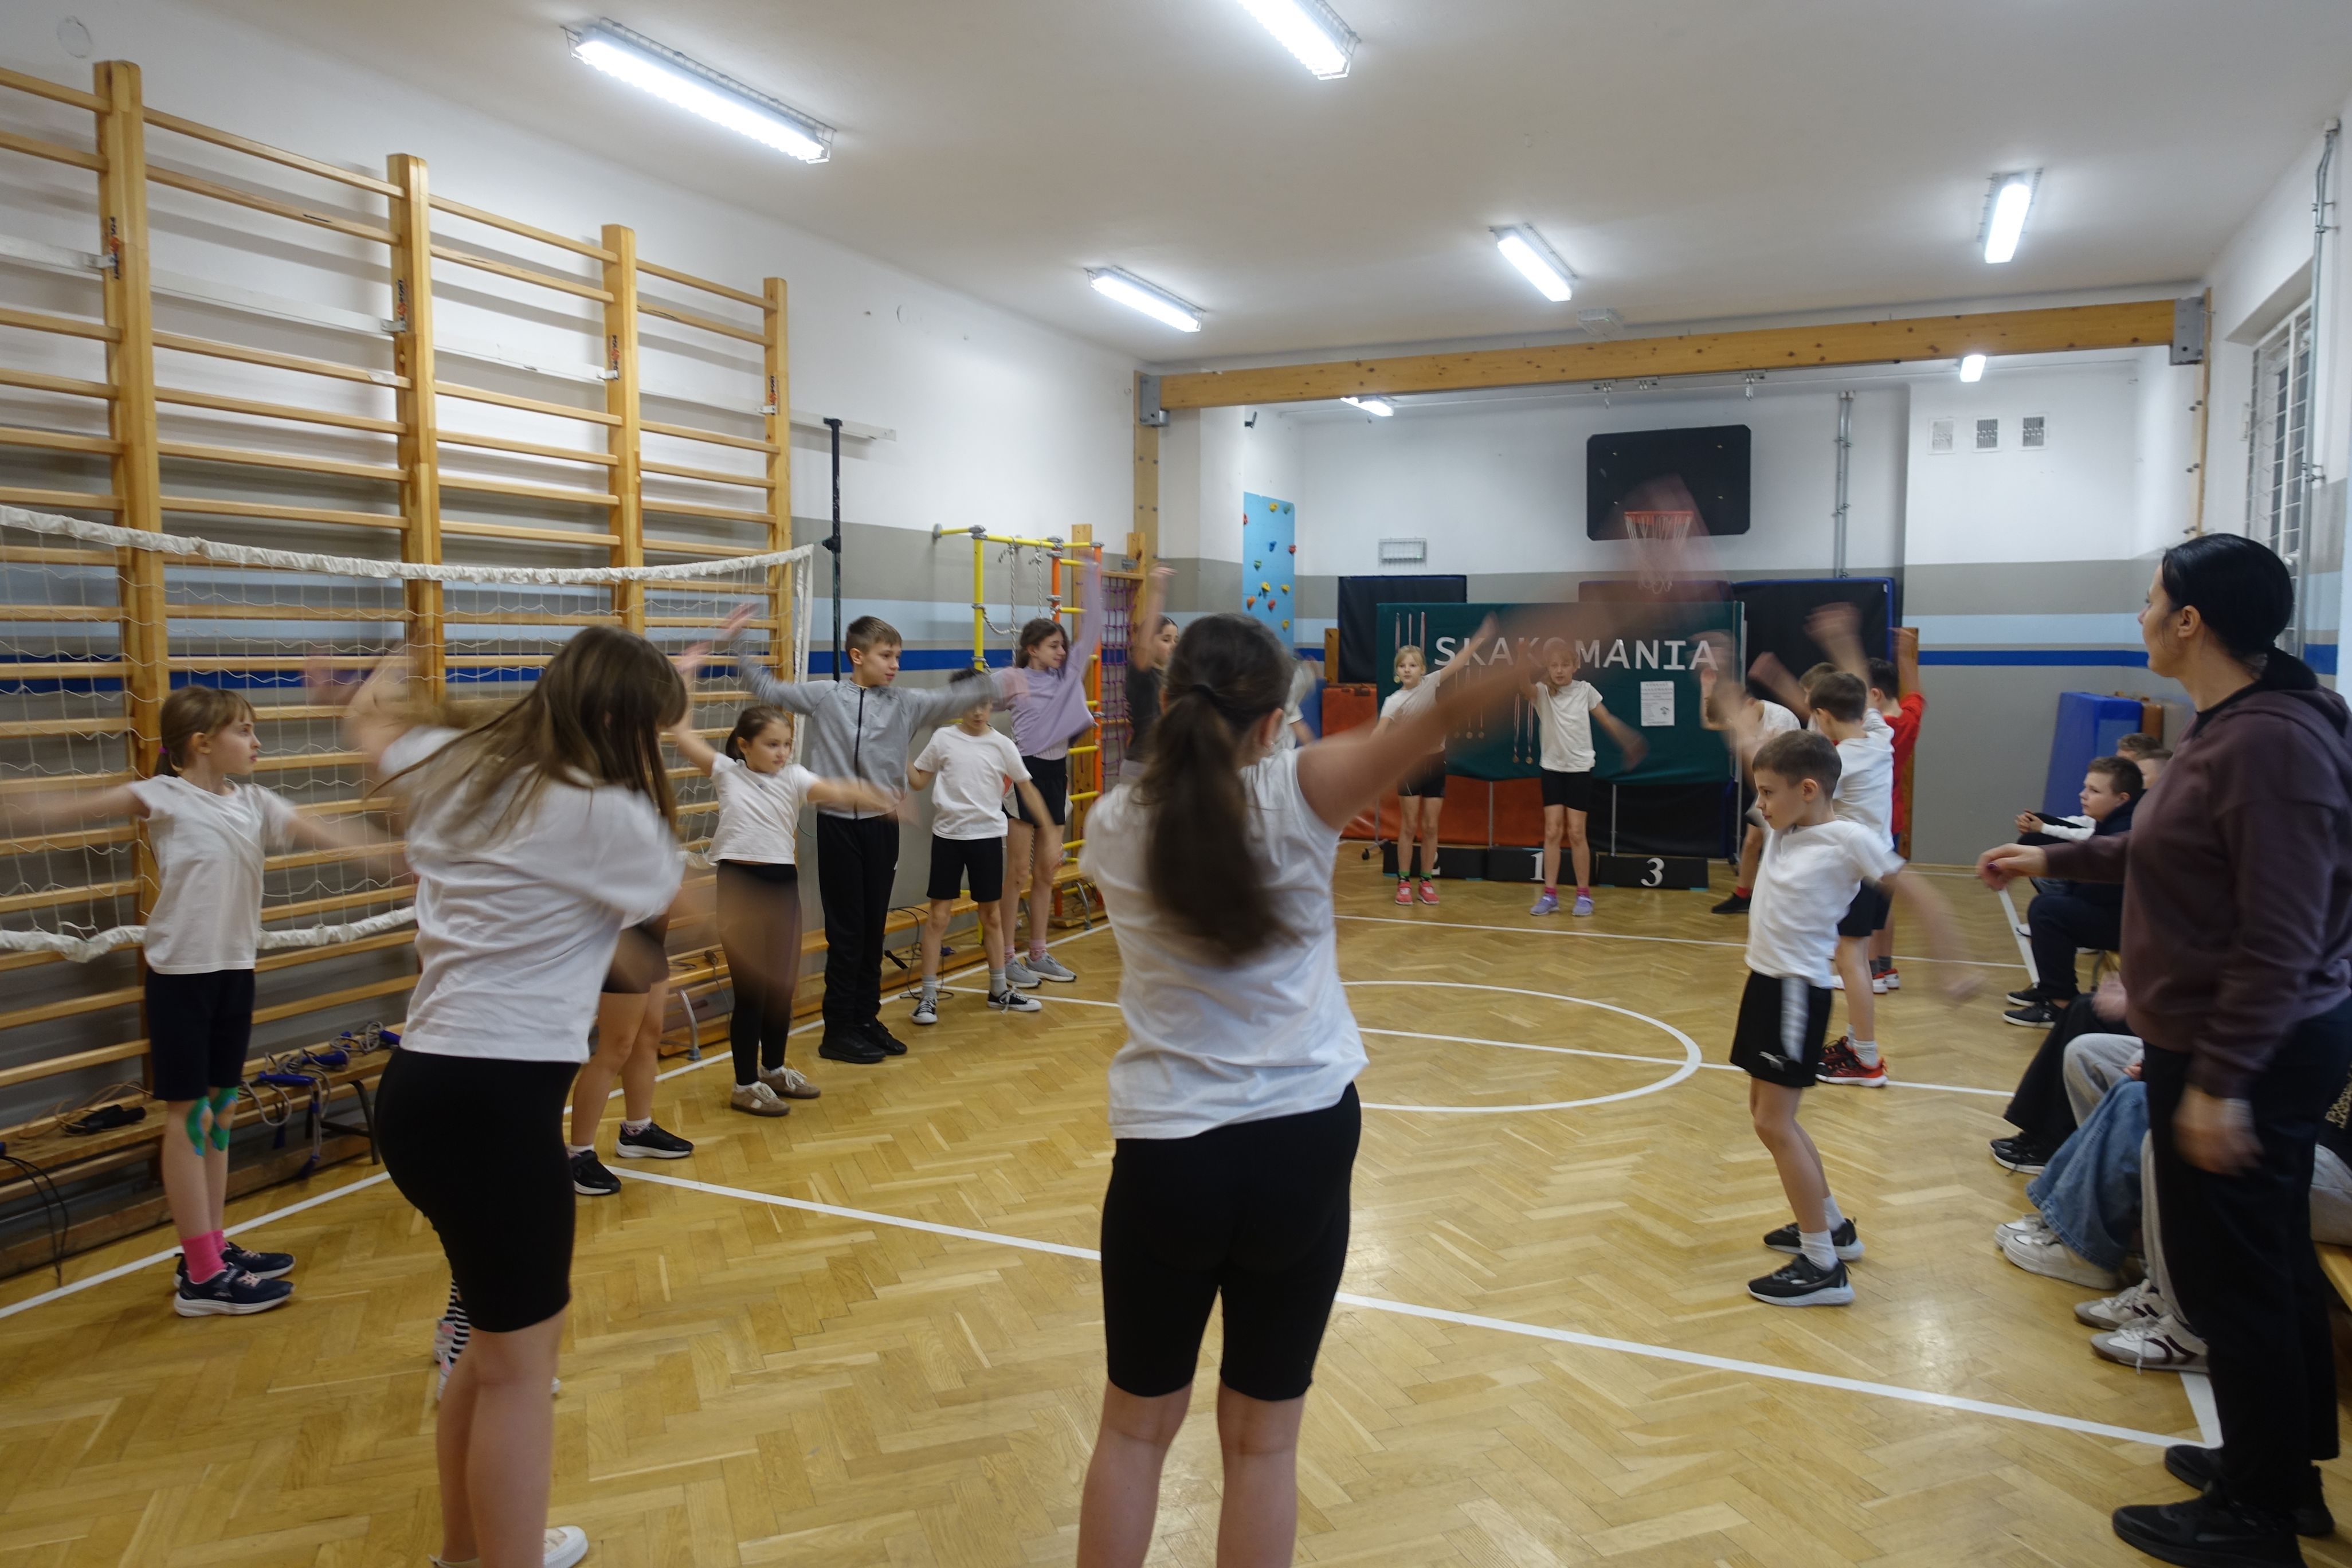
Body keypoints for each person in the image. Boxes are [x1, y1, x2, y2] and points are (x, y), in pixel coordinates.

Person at [1072, 610, 1520, 1568]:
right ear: (1274, 722)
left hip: (1169, 1151)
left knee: (1133, 1430)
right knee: (1264, 1443)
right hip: (1301, 1144)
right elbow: (1429, 725)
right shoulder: (1299, 789)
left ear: (1170, 701)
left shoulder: (1110, 822)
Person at [1979, 532, 2352, 1567]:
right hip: (2245, 1038)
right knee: (2262, 1265)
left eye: (2150, 600)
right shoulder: (2238, 725)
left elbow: (2281, 931)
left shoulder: (2269, 744)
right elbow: (2172, 846)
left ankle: (2255, 1517)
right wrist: (2052, 859)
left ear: (2189, 620)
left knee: (2233, 1275)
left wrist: (2222, 1081)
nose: (2140, 615)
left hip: (2253, 1046)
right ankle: (2275, 1473)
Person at [344, 629, 694, 1568]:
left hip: (419, 1097)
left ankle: (467, 1554)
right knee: (520, 1373)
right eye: (653, 730)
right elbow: (714, 915)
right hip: (494, 1115)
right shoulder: (608, 817)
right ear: (619, 721)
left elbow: (371, 724)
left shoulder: (457, 763)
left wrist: (386, 668)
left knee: (493, 1351)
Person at [3, 685, 390, 1316]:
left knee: (222, 1111)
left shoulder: (255, 803)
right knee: (190, 1120)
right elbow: (68, 809)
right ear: (202, 743)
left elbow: (326, 830)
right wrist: (19, 803)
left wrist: (393, 858)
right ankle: (202, 1279)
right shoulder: (164, 796)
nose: (257, 741)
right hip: (182, 979)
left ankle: (209, 1247)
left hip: (234, 971)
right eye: (244, 730)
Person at [1709, 722, 1969, 1307]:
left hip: (1796, 995)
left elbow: (1921, 895)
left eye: (1768, 793)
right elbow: (1757, 753)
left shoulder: (1849, 839)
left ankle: (1822, 1264)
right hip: (1764, 985)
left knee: (1775, 1124)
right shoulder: (1785, 825)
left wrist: (1951, 965)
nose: (1760, 804)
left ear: (1808, 789)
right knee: (1765, 1116)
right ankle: (1831, 1226)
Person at [720, 612, 1020, 1064]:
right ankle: (838, 1029)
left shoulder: (906, 703)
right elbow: (767, 688)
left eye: (898, 656)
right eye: (887, 656)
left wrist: (1009, 679)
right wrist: (738, 641)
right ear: (858, 656)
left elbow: (953, 696)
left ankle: (865, 1019)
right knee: (847, 930)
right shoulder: (825, 696)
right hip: (839, 828)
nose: (895, 664)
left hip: (883, 827)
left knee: (872, 928)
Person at [669, 705, 898, 1108]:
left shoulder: (795, 777)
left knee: (780, 990)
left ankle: (773, 1070)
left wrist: (880, 797)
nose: (782, 752)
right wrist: (684, 682)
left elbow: (840, 791)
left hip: (782, 889)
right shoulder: (727, 772)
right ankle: (744, 1085)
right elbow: (684, 736)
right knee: (751, 994)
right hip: (740, 889)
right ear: (745, 746)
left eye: (787, 745)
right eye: (772, 744)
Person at [907, 673, 1051, 1024]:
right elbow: (919, 780)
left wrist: (1048, 830)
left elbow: (1027, 788)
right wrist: (896, 750)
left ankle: (999, 990)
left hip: (987, 839)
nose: (978, 712)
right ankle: (927, 997)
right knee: (938, 917)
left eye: (985, 704)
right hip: (948, 839)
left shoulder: (1002, 745)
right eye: (971, 704)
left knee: (992, 917)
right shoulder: (943, 739)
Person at [1000, 550, 1103, 989]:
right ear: (1032, 649)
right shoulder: (1013, 679)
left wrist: (1092, 575)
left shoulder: (1067, 677)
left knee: (1047, 871)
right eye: (1054, 646)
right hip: (1024, 776)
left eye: (1063, 645)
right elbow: (970, 701)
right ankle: (1007, 957)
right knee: (1016, 874)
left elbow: (1093, 627)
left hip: (1055, 775)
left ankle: (1038, 953)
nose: (1062, 652)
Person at [1797, 672, 1898, 1085]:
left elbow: (1804, 801)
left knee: (1852, 961)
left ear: (1822, 715)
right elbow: (1867, 711)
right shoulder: (1881, 738)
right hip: (1879, 864)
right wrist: (1842, 647)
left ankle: (1866, 1059)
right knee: (1854, 957)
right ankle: (1857, 1044)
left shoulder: (1842, 763)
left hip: (1857, 873)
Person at [2002, 757, 2143, 1028]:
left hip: (2131, 924)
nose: (2083, 794)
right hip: (2115, 913)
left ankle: (2059, 1004)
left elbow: (2108, 889)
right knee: (2050, 903)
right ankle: (2049, 988)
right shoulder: (2112, 819)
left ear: (2122, 798)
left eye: (2094, 790)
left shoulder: (2127, 826)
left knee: (2049, 911)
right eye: (2085, 787)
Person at [563, 918, 691, 1196]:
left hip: (652, 933)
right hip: (623, 936)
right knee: (616, 1047)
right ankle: (578, 1153)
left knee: (649, 1035)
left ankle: (637, 1130)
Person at [1520, 640, 1646, 916]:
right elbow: (1524, 687)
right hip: (1552, 769)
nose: (1559, 670)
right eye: (1554, 665)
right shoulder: (1542, 692)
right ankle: (1550, 895)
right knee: (1552, 831)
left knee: (1577, 833)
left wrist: (1628, 740)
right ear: (1548, 668)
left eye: (1565, 665)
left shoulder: (1585, 690)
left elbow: (1606, 718)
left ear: (1575, 665)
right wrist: (1520, 660)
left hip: (1579, 769)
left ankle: (1584, 896)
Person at [1699, 663, 1801, 916]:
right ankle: (1742, 895)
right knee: (1752, 841)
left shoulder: (1782, 721)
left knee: (1780, 848)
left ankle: (1783, 901)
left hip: (1789, 792)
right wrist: (1706, 688)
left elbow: (1785, 772)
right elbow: (1710, 723)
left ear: (1751, 704)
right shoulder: (1745, 713)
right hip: (1766, 791)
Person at [1379, 644, 1445, 905]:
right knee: (1409, 825)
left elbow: (1458, 663)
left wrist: (1479, 640)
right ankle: (1404, 882)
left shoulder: (1431, 683)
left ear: (1423, 670)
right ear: (1397, 671)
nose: (1407, 669)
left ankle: (1426, 882)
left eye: (1413, 665)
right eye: (1402, 665)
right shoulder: (1393, 701)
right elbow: (1379, 732)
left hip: (1436, 763)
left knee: (1431, 826)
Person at [1122, 565, 1177, 783]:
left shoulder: (1171, 678)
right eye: (1166, 640)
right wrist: (1158, 593)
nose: (1173, 645)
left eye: (1175, 640)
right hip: (1141, 767)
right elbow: (1143, 646)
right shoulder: (1142, 675)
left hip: (1164, 765)